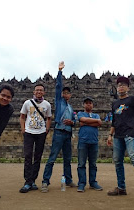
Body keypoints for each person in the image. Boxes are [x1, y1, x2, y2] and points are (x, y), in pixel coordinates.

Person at [107, 76, 134, 208]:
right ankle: (121, 187)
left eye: (123, 85)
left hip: (130, 133)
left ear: (128, 87)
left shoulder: (133, 100)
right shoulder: (114, 103)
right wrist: (110, 134)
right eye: (119, 85)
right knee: (117, 161)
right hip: (118, 135)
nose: (121, 87)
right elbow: (114, 121)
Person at [41, 61, 76, 192]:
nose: (65, 94)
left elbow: (74, 120)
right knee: (52, 157)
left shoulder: (70, 107)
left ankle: (68, 179)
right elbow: (58, 86)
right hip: (59, 132)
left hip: (67, 133)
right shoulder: (59, 102)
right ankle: (45, 181)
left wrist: (73, 123)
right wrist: (60, 71)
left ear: (70, 95)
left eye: (68, 93)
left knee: (67, 159)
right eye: (64, 92)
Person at [19, 84, 52, 193]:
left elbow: (49, 118)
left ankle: (33, 180)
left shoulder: (47, 104)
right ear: (34, 91)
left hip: (41, 133)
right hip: (29, 132)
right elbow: (22, 116)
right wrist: (23, 129)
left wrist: (46, 129)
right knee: (28, 156)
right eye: (37, 90)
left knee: (38, 157)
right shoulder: (27, 103)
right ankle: (27, 181)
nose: (39, 92)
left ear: (44, 92)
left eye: (41, 90)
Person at [77, 97, 102, 192]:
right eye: (86, 103)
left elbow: (99, 123)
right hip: (83, 141)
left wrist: (85, 123)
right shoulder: (80, 113)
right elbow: (82, 119)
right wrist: (93, 122)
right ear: (84, 105)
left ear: (92, 105)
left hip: (94, 142)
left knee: (93, 164)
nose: (88, 104)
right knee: (81, 164)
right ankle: (81, 183)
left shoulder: (96, 115)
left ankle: (93, 182)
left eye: (90, 103)